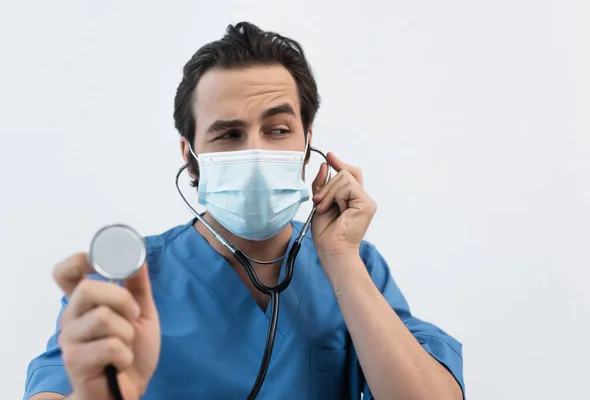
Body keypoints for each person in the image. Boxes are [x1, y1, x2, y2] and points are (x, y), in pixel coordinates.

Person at [24, 22, 465, 400]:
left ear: (307, 142)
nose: (256, 153)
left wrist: (340, 262)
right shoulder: (128, 279)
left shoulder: (358, 265)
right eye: (229, 135)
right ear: (190, 155)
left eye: (278, 129)